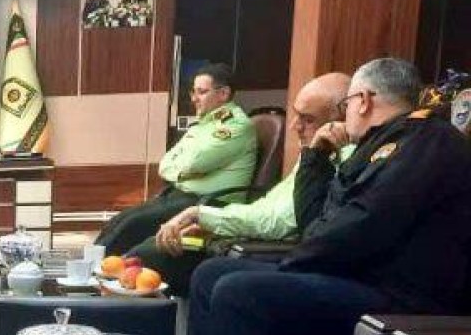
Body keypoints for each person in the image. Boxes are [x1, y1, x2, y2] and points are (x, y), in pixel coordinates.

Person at [186, 58, 471, 335]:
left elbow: (359, 227)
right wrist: (316, 158)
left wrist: (293, 262)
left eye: (346, 105)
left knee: (239, 293)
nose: (345, 115)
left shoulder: (426, 141)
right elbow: (316, 221)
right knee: (210, 273)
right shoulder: (379, 144)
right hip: (354, 278)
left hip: (397, 303)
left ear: (363, 101)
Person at [125, 73, 352, 294]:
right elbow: (266, 206)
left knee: (148, 257)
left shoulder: (335, 159)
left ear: (341, 119)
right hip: (239, 222)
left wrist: (203, 216)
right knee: (138, 236)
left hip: (273, 249)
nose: (294, 126)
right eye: (296, 115)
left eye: (308, 119)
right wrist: (212, 223)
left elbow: (278, 221)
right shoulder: (316, 152)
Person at [95, 63, 256, 255]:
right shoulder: (204, 124)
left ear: (223, 93)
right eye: (193, 92)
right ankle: (92, 264)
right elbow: (165, 164)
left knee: (132, 226)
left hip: (209, 203)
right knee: (120, 220)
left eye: (202, 92)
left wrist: (183, 169)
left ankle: (98, 267)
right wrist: (183, 173)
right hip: (180, 195)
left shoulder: (235, 126)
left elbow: (195, 163)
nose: (194, 98)